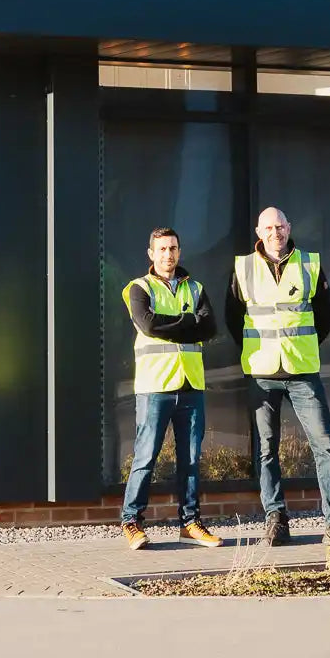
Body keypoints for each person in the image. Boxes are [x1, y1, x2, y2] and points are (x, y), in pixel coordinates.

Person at [226, 206, 330, 549]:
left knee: (325, 447)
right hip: (262, 374)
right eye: (269, 228)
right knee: (266, 451)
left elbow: (326, 316)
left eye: (280, 226)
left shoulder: (309, 264)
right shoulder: (243, 268)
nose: (276, 232)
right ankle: (276, 520)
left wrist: (303, 346)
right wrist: (258, 351)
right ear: (259, 232)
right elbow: (233, 318)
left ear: (289, 227)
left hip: (302, 372)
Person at [120, 226, 223, 551]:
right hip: (155, 386)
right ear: (151, 254)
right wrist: (187, 322)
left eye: (173, 248)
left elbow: (209, 327)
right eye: (162, 249)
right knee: (145, 457)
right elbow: (148, 324)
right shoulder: (138, 288)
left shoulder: (196, 287)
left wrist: (173, 324)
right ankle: (131, 521)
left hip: (191, 385)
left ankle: (190, 523)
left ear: (180, 251)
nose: (168, 254)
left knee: (191, 459)